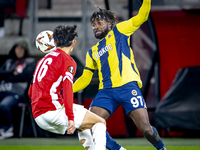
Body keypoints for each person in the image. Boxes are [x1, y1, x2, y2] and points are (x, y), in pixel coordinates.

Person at [73, 0, 167, 150]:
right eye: (93, 25)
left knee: (146, 129)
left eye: (99, 23)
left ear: (110, 24)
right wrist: (66, 89)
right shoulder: (92, 52)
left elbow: (142, 16)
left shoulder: (120, 31)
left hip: (128, 87)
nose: (96, 27)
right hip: (106, 92)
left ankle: (161, 148)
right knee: (88, 125)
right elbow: (85, 78)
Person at [28, 25, 106, 150]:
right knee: (100, 122)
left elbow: (31, 92)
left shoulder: (42, 60)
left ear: (55, 42)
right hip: (52, 110)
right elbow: (68, 90)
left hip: (37, 115)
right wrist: (70, 117)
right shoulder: (68, 60)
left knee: (85, 125)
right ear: (74, 42)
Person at [0, 39, 36, 140]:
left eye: (21, 48)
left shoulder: (29, 62)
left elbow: (26, 76)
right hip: (3, 91)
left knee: (4, 105)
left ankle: (7, 128)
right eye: (17, 48)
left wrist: (6, 76)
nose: (19, 50)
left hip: (17, 94)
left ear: (25, 50)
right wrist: (11, 73)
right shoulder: (9, 62)